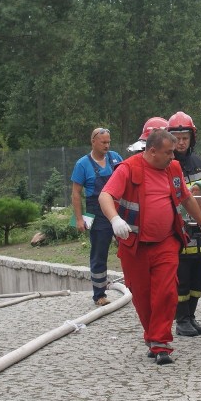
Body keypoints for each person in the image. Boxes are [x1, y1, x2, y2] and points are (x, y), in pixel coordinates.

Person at [98, 129, 201, 365]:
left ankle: (161, 344)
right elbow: (105, 196)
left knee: (167, 292)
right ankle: (153, 337)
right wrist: (115, 220)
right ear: (152, 151)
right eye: (168, 152)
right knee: (142, 295)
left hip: (166, 242)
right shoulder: (128, 169)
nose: (173, 156)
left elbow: (185, 198)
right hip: (135, 246)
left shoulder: (173, 170)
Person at [167, 111, 201, 337]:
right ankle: (181, 319)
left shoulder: (199, 164)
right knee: (181, 276)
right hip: (176, 230)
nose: (181, 142)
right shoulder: (166, 164)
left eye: (185, 137)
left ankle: (191, 315)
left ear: (192, 138)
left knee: (199, 274)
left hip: (199, 229)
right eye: (177, 137)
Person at [70, 127, 123, 306]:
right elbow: (76, 193)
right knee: (99, 251)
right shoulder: (82, 164)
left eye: (109, 142)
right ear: (93, 141)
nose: (107, 145)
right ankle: (99, 294)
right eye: (103, 142)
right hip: (96, 212)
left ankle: (133, 285)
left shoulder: (115, 158)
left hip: (117, 208)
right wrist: (79, 219)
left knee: (128, 247)